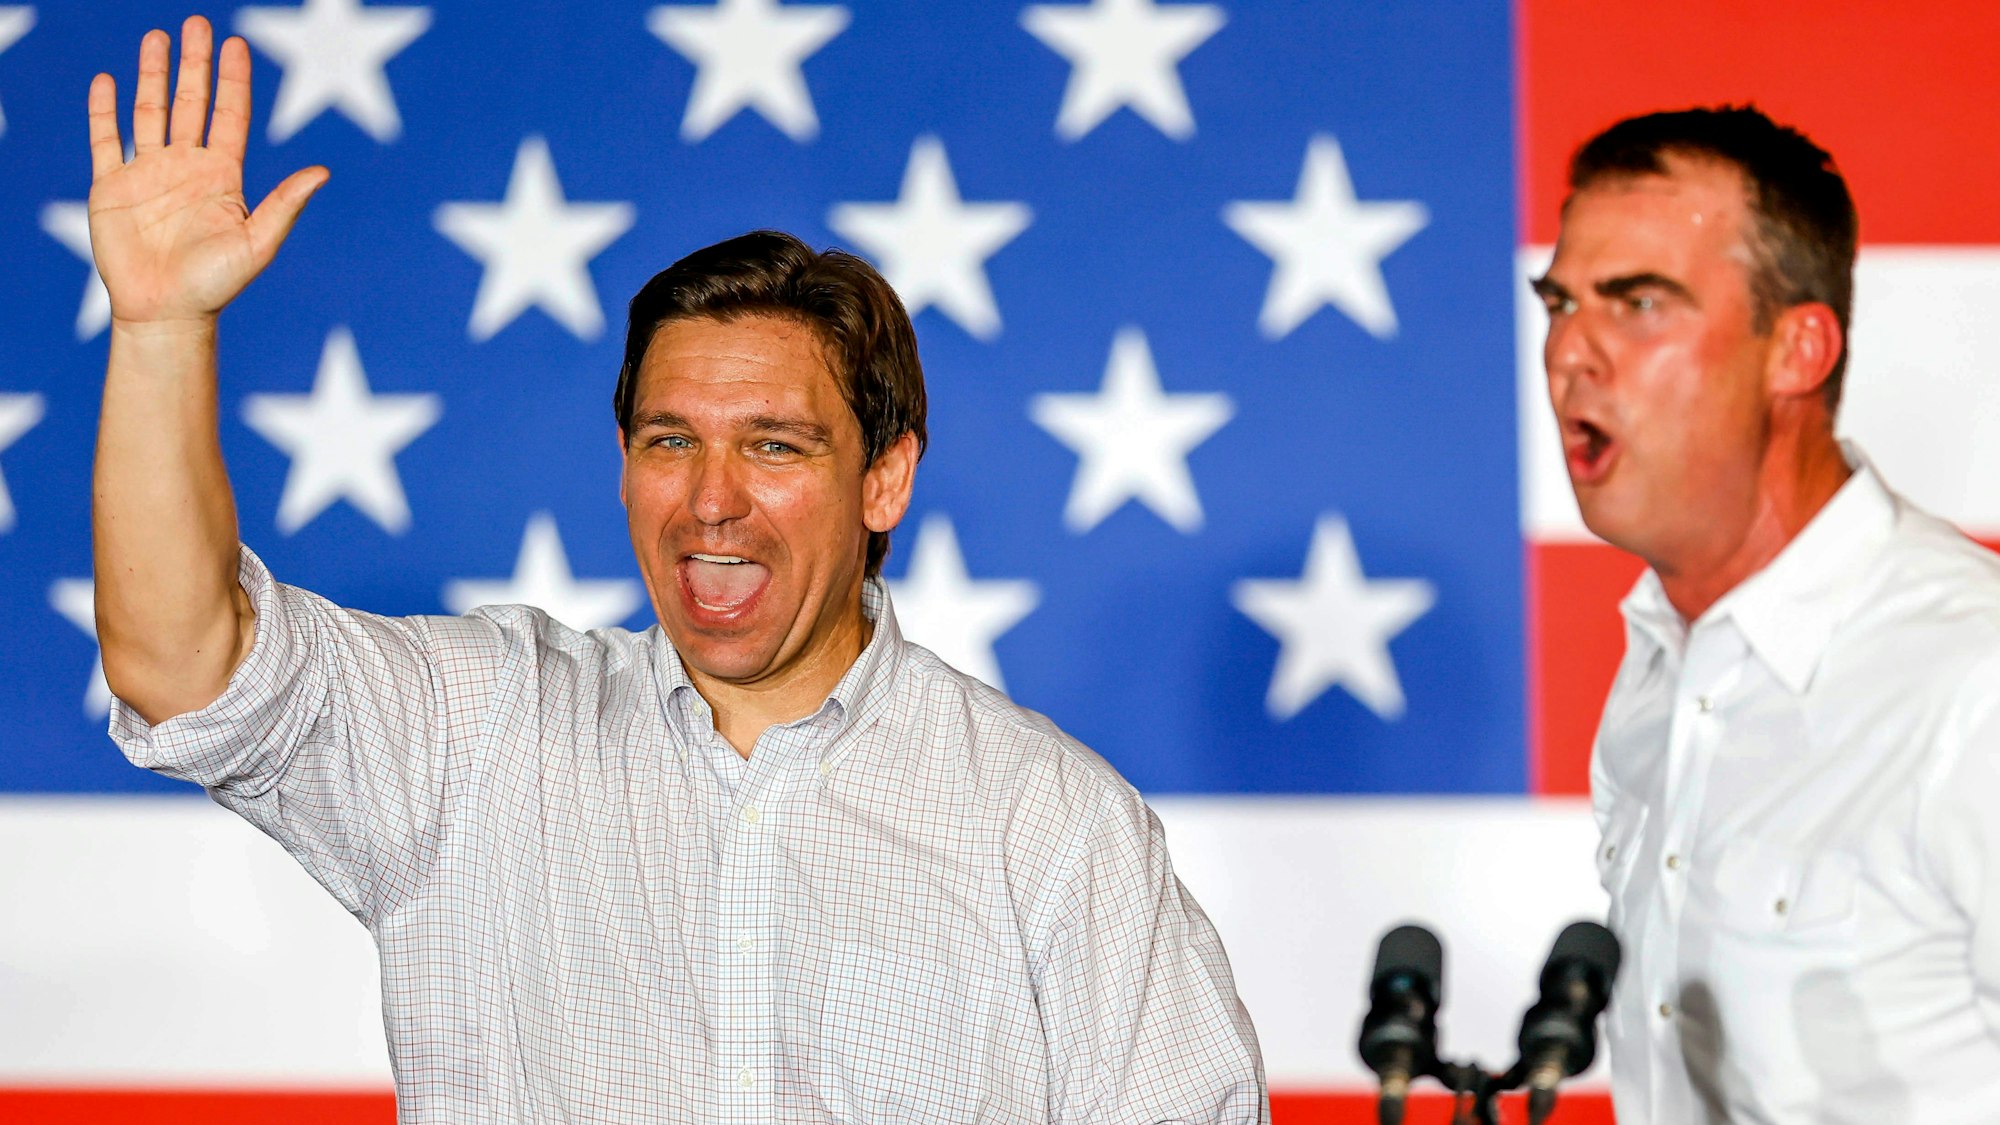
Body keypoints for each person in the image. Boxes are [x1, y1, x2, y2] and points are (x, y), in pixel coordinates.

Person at [88, 17, 1265, 1122]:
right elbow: (182, 664)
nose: (710, 499)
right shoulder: (478, 734)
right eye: (669, 442)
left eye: (774, 446)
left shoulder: (1050, 828)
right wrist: (158, 333)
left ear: (884, 479)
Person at [1536, 103, 2000, 1122]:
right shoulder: (1660, 669)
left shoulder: (1974, 682)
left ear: (1798, 348)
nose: (1571, 351)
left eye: (1638, 302)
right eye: (1559, 302)